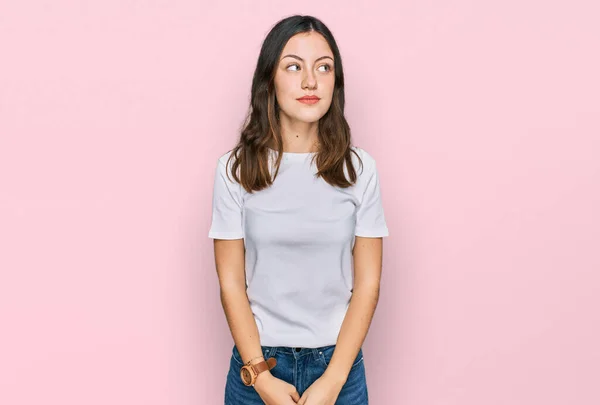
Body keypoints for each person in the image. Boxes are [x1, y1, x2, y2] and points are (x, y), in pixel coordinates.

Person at [208, 14, 389, 405]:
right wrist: (260, 378)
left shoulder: (360, 170)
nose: (311, 81)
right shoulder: (234, 170)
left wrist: (334, 380)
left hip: (338, 365)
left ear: (335, 82)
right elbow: (231, 285)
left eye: (324, 68)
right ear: (269, 80)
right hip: (259, 367)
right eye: (294, 67)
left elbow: (368, 286)